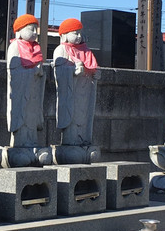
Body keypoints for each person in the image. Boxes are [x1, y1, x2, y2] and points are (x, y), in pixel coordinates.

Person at [52, 17, 99, 148]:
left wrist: (95, 74)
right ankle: (70, 140)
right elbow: (59, 72)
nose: (79, 36)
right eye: (75, 33)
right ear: (64, 35)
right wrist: (72, 71)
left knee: (83, 117)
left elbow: (91, 68)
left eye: (80, 33)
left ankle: (83, 140)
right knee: (72, 118)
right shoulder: (61, 50)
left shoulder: (86, 51)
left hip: (84, 93)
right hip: (71, 93)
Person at [7, 13, 45, 148]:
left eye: (36, 29)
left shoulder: (36, 48)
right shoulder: (15, 47)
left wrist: (40, 73)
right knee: (23, 120)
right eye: (31, 29)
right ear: (19, 31)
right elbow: (14, 73)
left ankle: (32, 142)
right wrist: (31, 72)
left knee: (32, 118)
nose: (35, 33)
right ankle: (20, 144)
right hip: (21, 93)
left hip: (33, 93)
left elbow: (39, 72)